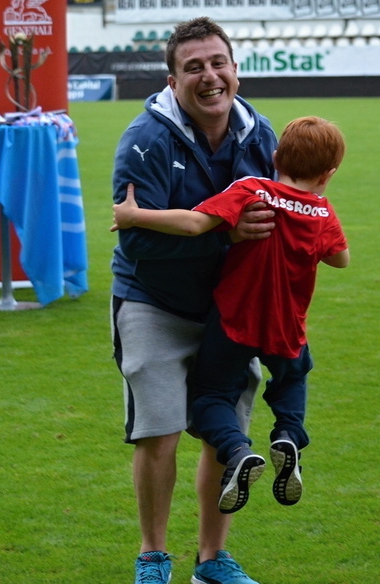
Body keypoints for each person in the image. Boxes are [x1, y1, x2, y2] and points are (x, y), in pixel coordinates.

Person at [110, 16, 278, 584]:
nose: (209, 77)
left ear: (235, 69)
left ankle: (212, 559)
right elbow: (136, 242)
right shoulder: (146, 139)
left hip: (230, 309)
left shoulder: (260, 135)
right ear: (173, 80)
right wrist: (224, 235)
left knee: (225, 433)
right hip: (152, 300)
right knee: (158, 432)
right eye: (194, 67)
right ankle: (153, 558)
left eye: (218, 63)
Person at [112, 116, 349, 516]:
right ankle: (289, 435)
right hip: (286, 325)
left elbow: (193, 225)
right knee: (293, 377)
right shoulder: (322, 213)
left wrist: (135, 217)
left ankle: (236, 449)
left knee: (212, 394)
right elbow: (341, 259)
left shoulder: (253, 190)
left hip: (235, 322)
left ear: (276, 158)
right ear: (329, 174)